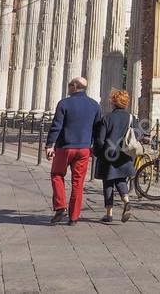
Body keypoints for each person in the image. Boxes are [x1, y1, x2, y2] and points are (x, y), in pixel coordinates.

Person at [45, 76, 101, 225]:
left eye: (70, 84)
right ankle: (74, 217)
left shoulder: (64, 103)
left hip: (65, 147)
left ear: (75, 86)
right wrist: (95, 145)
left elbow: (56, 126)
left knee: (57, 174)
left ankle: (60, 206)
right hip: (83, 149)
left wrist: (50, 145)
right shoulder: (94, 105)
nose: (68, 87)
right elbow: (97, 129)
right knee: (78, 182)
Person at [94, 89, 143, 224]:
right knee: (121, 180)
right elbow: (139, 135)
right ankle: (126, 201)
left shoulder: (107, 118)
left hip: (108, 155)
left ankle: (109, 213)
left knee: (108, 183)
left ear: (113, 102)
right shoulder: (131, 118)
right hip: (125, 155)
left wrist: (97, 153)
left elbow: (100, 140)